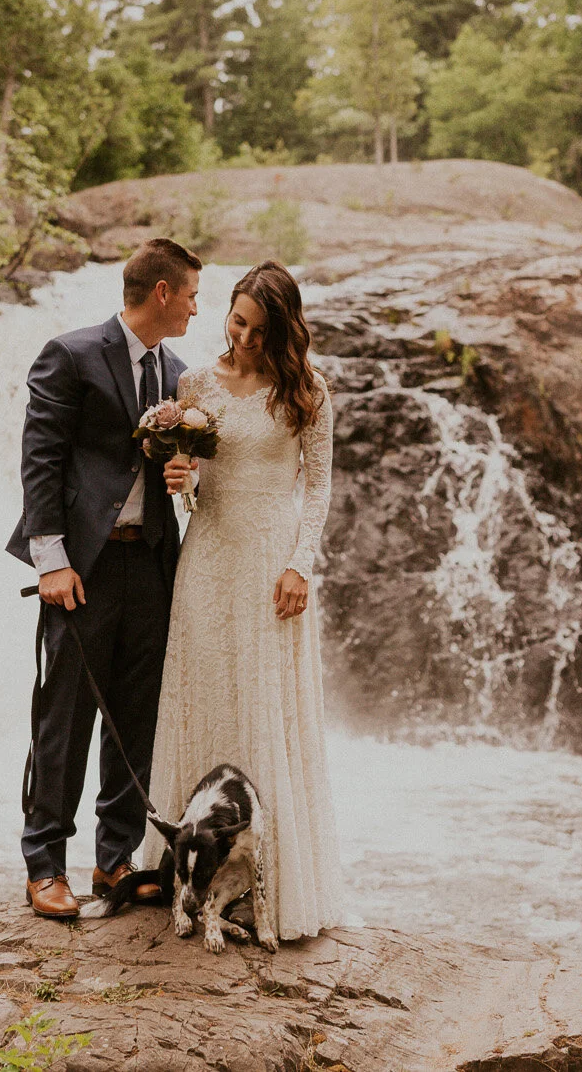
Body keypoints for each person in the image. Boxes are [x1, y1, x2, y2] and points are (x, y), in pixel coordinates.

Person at [7, 237, 201, 920]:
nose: (197, 310)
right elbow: (41, 458)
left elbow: (173, 466)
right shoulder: (72, 353)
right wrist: (51, 559)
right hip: (81, 568)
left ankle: (114, 857)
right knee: (63, 714)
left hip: (150, 562)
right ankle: (43, 863)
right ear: (162, 293)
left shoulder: (179, 374)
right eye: (193, 296)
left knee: (134, 716)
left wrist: (185, 473)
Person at [149, 260, 344, 941]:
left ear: (284, 330)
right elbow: (196, 478)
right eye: (237, 321)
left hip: (271, 559)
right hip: (207, 552)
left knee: (264, 704)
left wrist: (300, 563)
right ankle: (187, 872)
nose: (245, 338)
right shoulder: (196, 384)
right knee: (203, 693)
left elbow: (317, 487)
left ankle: (269, 888)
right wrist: (183, 478)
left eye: (261, 330)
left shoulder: (308, 391)